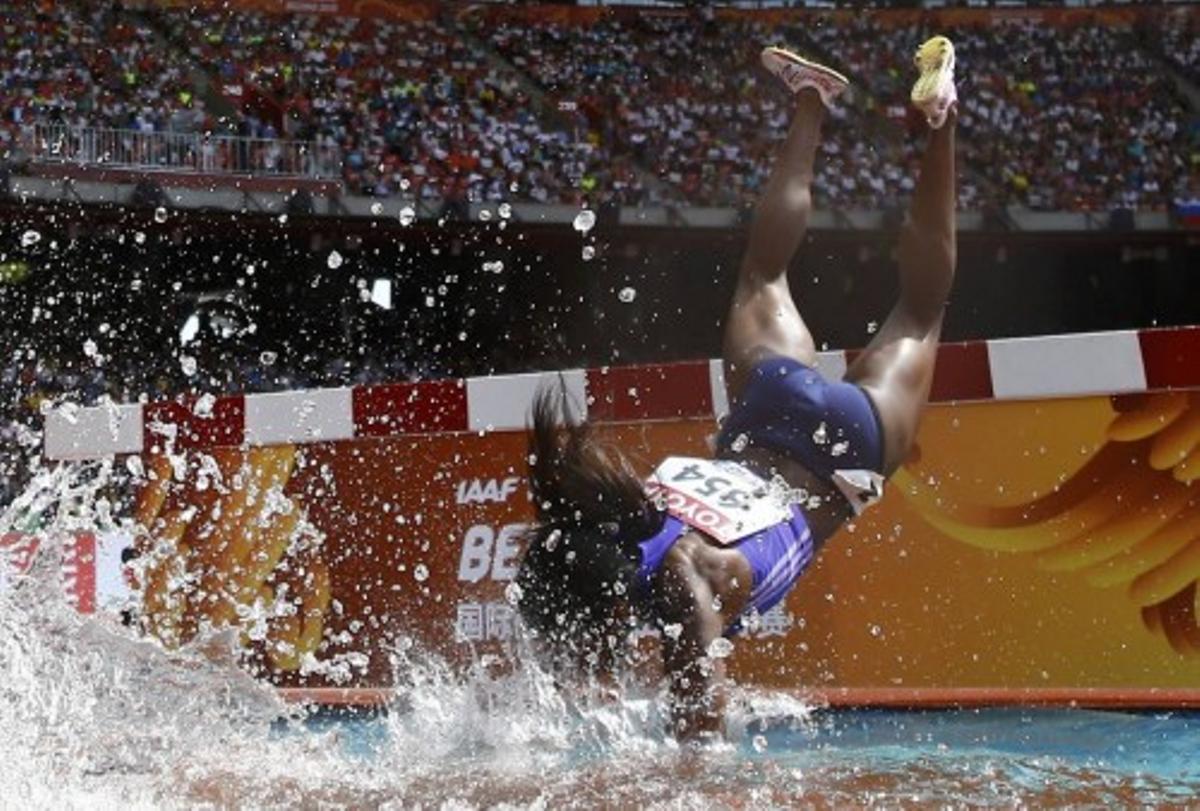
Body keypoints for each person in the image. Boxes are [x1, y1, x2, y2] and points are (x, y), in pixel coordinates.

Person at [516, 37, 959, 741]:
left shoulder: (681, 588)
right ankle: (812, 97)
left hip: (845, 455)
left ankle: (942, 122)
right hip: (769, 410)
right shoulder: (606, 526)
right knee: (762, 272)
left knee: (920, 311)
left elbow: (703, 751)